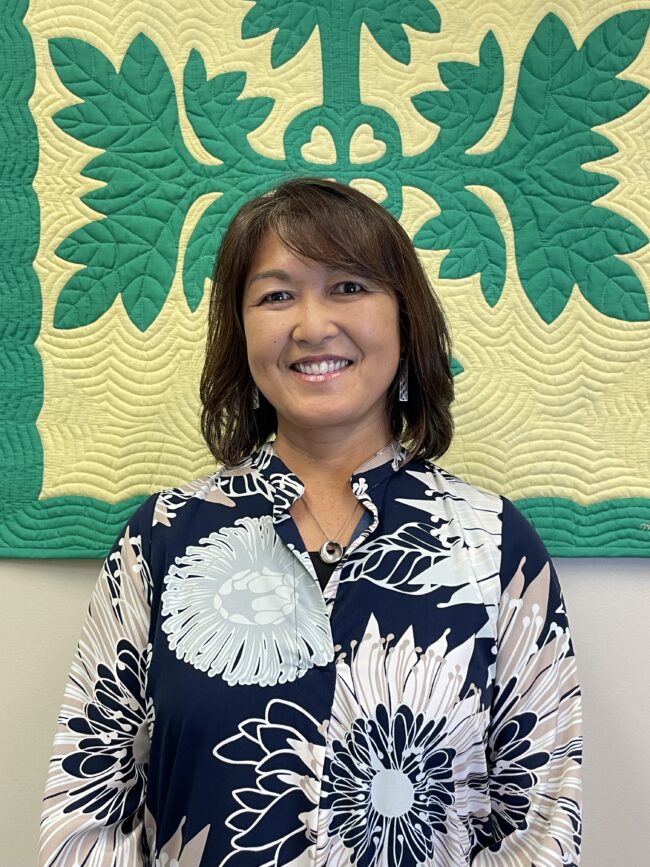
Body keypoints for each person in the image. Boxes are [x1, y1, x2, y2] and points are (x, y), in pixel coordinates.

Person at [40, 177, 582, 866]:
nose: (312, 325)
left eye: (349, 287)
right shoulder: (163, 535)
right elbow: (88, 800)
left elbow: (541, 822)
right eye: (276, 295)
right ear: (241, 331)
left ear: (404, 317)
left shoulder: (496, 545)